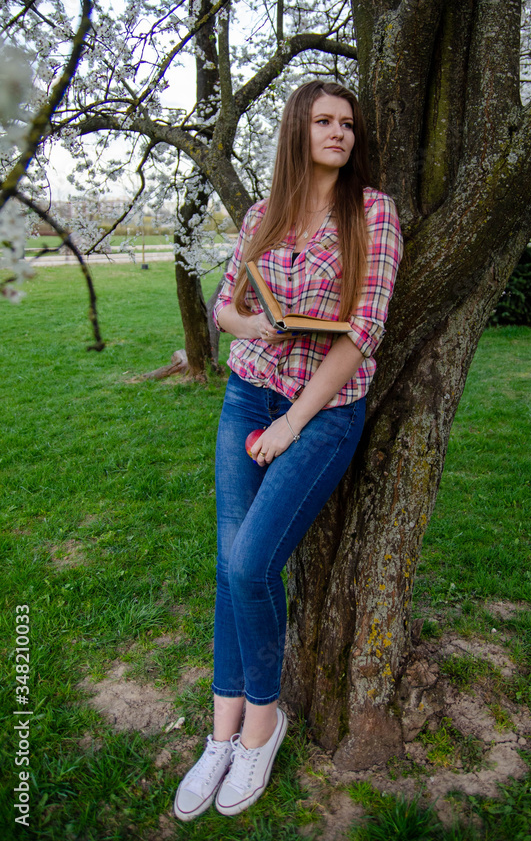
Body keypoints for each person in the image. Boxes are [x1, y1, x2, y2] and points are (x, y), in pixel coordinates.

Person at [173, 81, 403, 821]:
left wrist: (292, 425)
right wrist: (251, 328)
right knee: (227, 567)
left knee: (251, 563)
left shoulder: (373, 214)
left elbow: (361, 333)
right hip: (247, 393)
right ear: (297, 132)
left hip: (323, 409)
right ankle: (221, 733)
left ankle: (262, 727)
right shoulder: (262, 215)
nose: (338, 132)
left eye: (348, 124)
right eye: (323, 121)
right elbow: (224, 306)